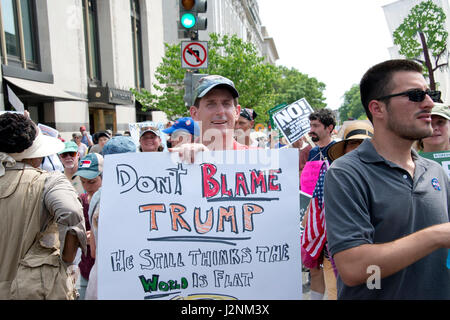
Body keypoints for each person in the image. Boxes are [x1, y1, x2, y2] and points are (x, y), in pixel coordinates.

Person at [324, 59, 450, 299]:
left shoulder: (436, 172)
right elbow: (353, 267)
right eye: (415, 95)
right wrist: (436, 236)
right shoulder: (346, 173)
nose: (430, 103)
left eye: (430, 94)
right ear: (377, 108)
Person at [0, 112, 87, 299]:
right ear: (34, 154)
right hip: (33, 290)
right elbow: (71, 213)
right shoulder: (49, 181)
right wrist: (65, 261)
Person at [301, 120, 374, 300]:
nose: (359, 148)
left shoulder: (388, 176)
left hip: (378, 257)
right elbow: (313, 212)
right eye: (353, 143)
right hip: (336, 253)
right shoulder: (333, 176)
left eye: (364, 144)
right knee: (336, 294)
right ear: (345, 149)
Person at [84, 136, 137, 300]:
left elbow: (93, 251)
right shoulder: (147, 195)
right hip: (138, 279)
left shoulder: (97, 197)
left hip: (104, 280)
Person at [73, 152, 103, 299]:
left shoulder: (115, 203)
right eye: (83, 181)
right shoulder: (81, 201)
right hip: (85, 269)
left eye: (92, 182)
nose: (87, 186)